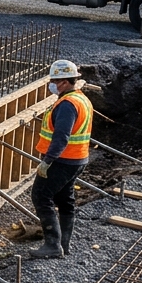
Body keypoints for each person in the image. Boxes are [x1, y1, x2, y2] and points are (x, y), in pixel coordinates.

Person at [30, 59, 92, 259]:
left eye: (55, 81)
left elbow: (61, 137)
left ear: (65, 82)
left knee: (41, 195)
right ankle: (64, 243)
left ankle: (53, 244)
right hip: (77, 159)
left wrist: (47, 161)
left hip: (63, 160)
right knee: (65, 199)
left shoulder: (67, 105)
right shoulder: (81, 98)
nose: (52, 85)